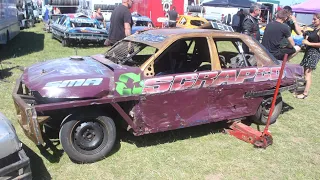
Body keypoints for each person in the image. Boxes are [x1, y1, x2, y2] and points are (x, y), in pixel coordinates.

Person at [295, 13, 320, 99]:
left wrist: (309, 43)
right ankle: (303, 90)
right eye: (313, 19)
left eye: (315, 19)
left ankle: (305, 94)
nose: (313, 21)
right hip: (309, 52)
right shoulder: (315, 29)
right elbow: (300, 32)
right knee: (305, 72)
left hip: (314, 53)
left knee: (308, 73)